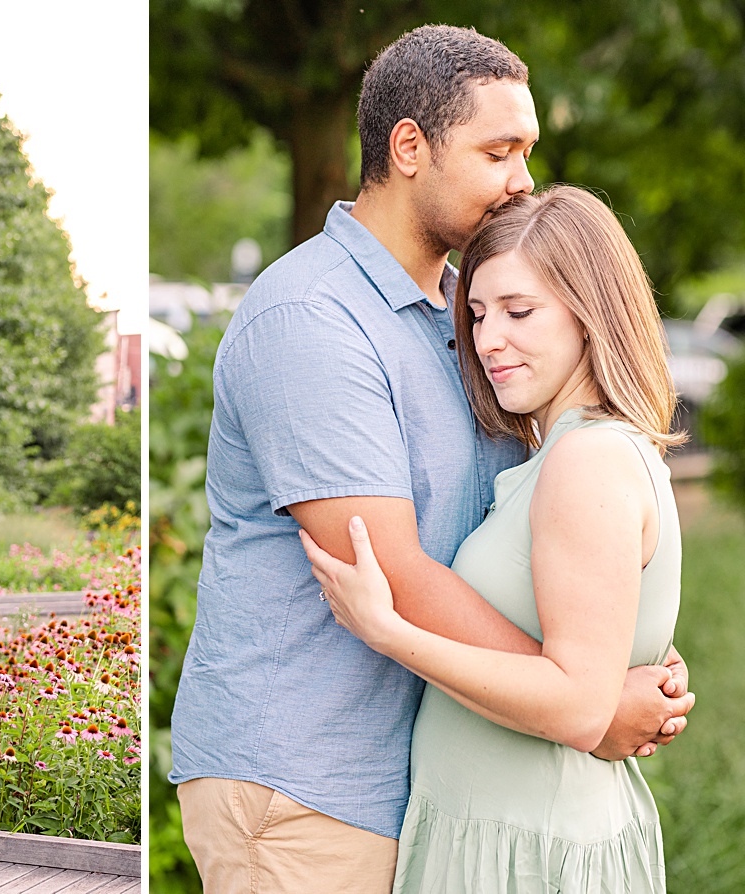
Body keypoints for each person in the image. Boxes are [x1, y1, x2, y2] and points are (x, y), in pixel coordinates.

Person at [166, 24, 694, 894]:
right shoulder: (311, 319)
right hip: (307, 788)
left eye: (527, 151)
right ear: (409, 147)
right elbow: (393, 568)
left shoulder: (471, 314)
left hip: (427, 783)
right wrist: (589, 708)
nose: (524, 179)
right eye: (499, 151)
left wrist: (606, 660)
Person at [303, 184, 682, 891]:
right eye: (477, 314)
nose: (489, 340)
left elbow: (577, 704)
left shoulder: (586, 460)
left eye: (520, 311)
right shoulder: (570, 453)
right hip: (507, 831)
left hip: (522, 850)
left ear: (591, 313)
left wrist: (387, 631)